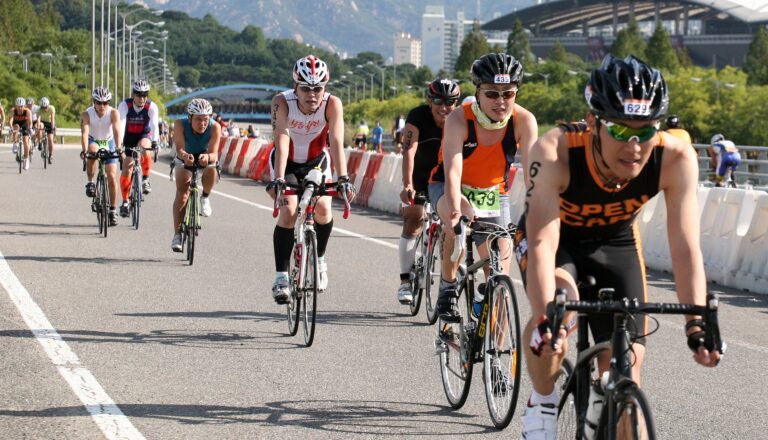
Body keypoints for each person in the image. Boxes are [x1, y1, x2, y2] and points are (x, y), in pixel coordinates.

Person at [518, 55, 723, 439]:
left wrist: (697, 324)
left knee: (628, 366)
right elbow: (543, 244)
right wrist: (547, 317)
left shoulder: (675, 157)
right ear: (593, 122)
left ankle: (609, 400)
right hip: (557, 237)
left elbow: (685, 247)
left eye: (645, 132)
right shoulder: (555, 151)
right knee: (558, 312)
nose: (634, 145)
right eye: (621, 129)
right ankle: (542, 402)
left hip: (616, 241)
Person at [431, 53, 537, 322]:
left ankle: (496, 357)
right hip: (449, 186)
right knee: (455, 225)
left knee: (498, 273)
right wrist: (457, 210)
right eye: (492, 93)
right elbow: (452, 172)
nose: (500, 101)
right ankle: (448, 286)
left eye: (508, 93)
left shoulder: (524, 121)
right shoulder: (459, 119)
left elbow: (536, 177)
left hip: (493, 192)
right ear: (478, 92)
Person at [267, 54, 356, 303]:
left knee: (324, 208)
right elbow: (282, 139)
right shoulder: (281, 102)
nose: (312, 94)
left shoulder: (332, 104)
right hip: (287, 162)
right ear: (295, 86)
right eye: (305, 88)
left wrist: (343, 178)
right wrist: (280, 179)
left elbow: (337, 141)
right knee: (289, 212)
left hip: (317, 161)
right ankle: (281, 277)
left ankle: (320, 259)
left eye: (318, 88)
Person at [395, 78, 460, 305]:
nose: (444, 107)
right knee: (413, 218)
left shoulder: (460, 118)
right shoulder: (417, 116)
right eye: (438, 101)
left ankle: (447, 275)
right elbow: (409, 151)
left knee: (451, 224)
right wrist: (407, 185)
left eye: (450, 102)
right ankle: (405, 281)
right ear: (429, 101)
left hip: (444, 178)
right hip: (420, 176)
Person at [170, 98, 222, 252]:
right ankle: (177, 234)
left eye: (206, 119)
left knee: (212, 167)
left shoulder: (215, 127)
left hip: (204, 155)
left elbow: (214, 154)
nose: (202, 124)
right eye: (198, 119)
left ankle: (205, 197)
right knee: (182, 193)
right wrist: (185, 156)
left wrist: (208, 157)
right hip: (185, 155)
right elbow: (179, 149)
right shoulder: (180, 124)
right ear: (190, 118)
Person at [117, 79, 159, 218]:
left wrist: (155, 142)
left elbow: (154, 125)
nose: (142, 98)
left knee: (145, 147)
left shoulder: (151, 106)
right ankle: (125, 202)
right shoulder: (125, 105)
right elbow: (121, 123)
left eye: (144, 95)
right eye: (139, 94)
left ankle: (145, 179)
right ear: (133, 94)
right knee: (126, 168)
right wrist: (120, 145)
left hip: (143, 135)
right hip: (128, 136)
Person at [80, 87, 122, 226]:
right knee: (92, 150)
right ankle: (91, 182)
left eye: (105, 103)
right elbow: (85, 133)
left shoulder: (113, 113)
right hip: (94, 140)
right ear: (94, 102)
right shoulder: (87, 114)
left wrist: (119, 148)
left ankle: (113, 209)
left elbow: (116, 130)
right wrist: (84, 150)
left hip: (108, 141)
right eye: (99, 102)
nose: (102, 106)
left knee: (111, 176)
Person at [10, 97, 33, 170]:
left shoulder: (27, 111)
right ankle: (15, 144)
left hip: (25, 124)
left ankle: (26, 159)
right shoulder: (13, 110)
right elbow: (10, 120)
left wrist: (30, 128)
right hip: (16, 124)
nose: (20, 108)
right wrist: (11, 127)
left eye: (21, 106)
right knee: (15, 128)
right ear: (16, 106)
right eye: (18, 106)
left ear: (24, 106)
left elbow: (30, 122)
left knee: (25, 140)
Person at [38, 97, 56, 164]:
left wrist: (53, 127)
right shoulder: (39, 109)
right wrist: (38, 126)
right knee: (40, 126)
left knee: (51, 140)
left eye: (46, 107)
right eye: (43, 107)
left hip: (49, 122)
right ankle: (40, 142)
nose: (44, 109)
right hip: (42, 122)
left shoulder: (51, 108)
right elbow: (38, 119)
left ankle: (51, 155)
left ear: (48, 105)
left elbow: (52, 118)